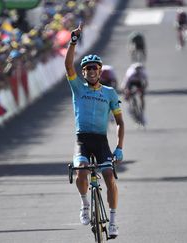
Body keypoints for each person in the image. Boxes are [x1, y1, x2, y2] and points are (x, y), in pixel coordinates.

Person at [64, 23, 124, 238]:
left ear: (100, 71)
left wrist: (119, 147)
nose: (91, 71)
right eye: (87, 69)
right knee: (81, 171)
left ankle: (114, 219)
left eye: (94, 68)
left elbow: (120, 122)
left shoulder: (109, 92)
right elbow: (68, 66)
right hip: (82, 139)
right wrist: (73, 41)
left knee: (108, 175)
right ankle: (84, 205)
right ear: (84, 72)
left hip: (100, 141)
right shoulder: (78, 88)